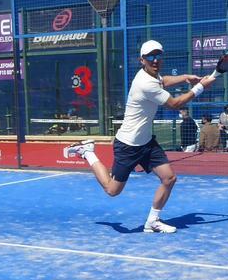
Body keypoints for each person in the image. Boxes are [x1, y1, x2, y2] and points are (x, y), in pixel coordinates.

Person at [63, 40, 218, 233]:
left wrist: (186, 77)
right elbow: (175, 104)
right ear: (142, 60)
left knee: (169, 178)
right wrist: (200, 87)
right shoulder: (145, 83)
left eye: (158, 56)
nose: (155, 60)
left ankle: (153, 221)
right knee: (112, 191)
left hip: (146, 143)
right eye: (150, 57)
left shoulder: (151, 75)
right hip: (128, 144)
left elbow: (164, 80)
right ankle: (88, 152)